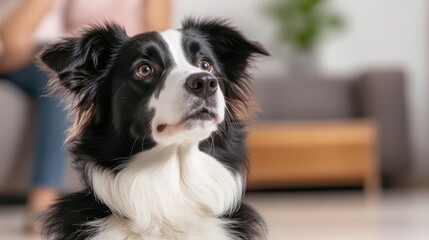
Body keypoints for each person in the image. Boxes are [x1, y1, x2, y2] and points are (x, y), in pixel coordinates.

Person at [0, 0, 171, 232]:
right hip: (78, 59)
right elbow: (21, 41)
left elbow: (159, 34)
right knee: (61, 80)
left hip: (127, 61)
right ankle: (44, 199)